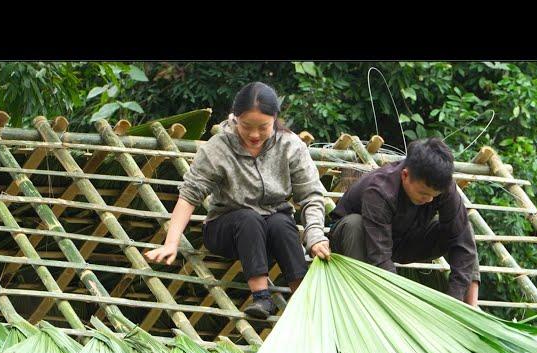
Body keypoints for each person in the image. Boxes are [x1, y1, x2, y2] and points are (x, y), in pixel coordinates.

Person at [144, 81, 331, 318]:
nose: (254, 134)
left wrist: (315, 236)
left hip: (272, 228)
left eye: (263, 127)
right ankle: (262, 298)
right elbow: (189, 195)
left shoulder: (290, 146)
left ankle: (305, 298)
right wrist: (171, 243)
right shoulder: (219, 147)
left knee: (282, 224)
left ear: (275, 119)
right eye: (246, 126)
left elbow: (311, 195)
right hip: (227, 229)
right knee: (249, 218)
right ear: (235, 119)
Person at [328, 137, 480, 305]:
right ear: (405, 175)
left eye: (434, 195)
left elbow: (462, 242)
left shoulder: (444, 187)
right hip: (357, 243)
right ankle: (362, 304)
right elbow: (379, 258)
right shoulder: (380, 190)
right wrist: (401, 305)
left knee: (463, 230)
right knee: (354, 224)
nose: (429, 200)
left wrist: (455, 300)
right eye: (423, 193)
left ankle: (471, 307)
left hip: (401, 241)